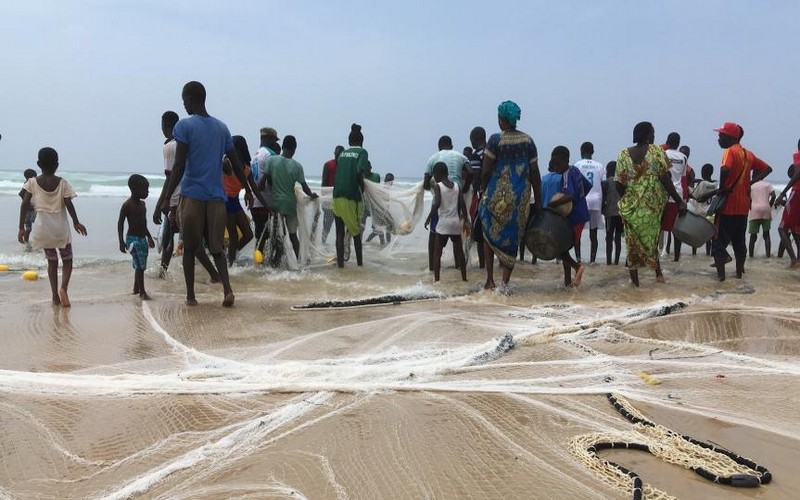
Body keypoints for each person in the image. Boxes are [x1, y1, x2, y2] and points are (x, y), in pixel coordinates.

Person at [160, 81, 262, 307]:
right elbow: (236, 164)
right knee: (217, 248)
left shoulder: (184, 127)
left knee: (189, 246)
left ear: (191, 99)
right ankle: (227, 290)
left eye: (184, 100)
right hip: (217, 197)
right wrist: (246, 190)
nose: (183, 105)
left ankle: (190, 297)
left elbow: (178, 166)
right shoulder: (222, 128)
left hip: (193, 195)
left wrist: (167, 198)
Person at [479, 101, 542, 291]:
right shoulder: (528, 141)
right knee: (513, 238)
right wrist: (538, 201)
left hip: (496, 197)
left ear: (502, 120)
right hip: (520, 198)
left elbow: (486, 170)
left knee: (488, 235)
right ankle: (505, 284)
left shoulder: (495, 140)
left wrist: (482, 189)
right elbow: (535, 173)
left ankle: (490, 280)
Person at [615, 122, 686, 287]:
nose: (654, 136)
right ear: (647, 135)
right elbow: (665, 179)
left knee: (632, 244)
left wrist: (626, 199)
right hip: (651, 208)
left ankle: (635, 285)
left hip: (630, 208)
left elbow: (618, 182)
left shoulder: (623, 154)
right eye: (652, 133)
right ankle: (659, 276)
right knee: (652, 241)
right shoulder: (656, 151)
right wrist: (679, 201)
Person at [153, 110, 219, 282]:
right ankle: (163, 273)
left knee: (176, 242)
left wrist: (162, 201)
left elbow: (170, 177)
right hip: (195, 197)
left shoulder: (169, 147)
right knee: (191, 242)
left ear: (166, 126)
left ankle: (214, 275)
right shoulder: (189, 143)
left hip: (176, 200)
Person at [18, 147, 88, 307]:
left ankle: (54, 296)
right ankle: (63, 288)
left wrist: (21, 227)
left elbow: (24, 204)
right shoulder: (62, 183)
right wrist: (76, 222)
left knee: (52, 262)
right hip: (59, 227)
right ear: (57, 164)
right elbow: (68, 203)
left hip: (42, 227)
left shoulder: (32, 182)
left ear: (38, 164)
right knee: (67, 259)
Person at [710, 122, 772, 281]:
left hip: (727, 206)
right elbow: (767, 169)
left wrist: (722, 188)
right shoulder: (748, 154)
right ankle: (739, 275)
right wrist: (750, 183)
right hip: (743, 207)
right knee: (739, 242)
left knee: (717, 243)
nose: (718, 138)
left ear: (730, 137)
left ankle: (721, 279)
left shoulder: (729, 151)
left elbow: (725, 169)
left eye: (720, 135)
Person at [260, 135, 318, 259]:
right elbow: (305, 188)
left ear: (282, 146)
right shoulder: (298, 166)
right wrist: (312, 195)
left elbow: (262, 183)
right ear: (294, 149)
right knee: (292, 236)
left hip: (276, 204)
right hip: (290, 205)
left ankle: (275, 262)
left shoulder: (271, 160)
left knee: (276, 235)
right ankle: (299, 262)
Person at [424, 136, 470, 271]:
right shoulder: (460, 157)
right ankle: (459, 268)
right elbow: (471, 171)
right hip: (456, 203)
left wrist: (430, 187)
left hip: (441, 205)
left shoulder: (433, 158)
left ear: (439, 147)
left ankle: (432, 267)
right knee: (457, 240)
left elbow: (426, 183)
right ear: (452, 145)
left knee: (434, 235)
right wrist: (465, 187)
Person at [548, 146, 588, 287]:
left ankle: (577, 267)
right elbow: (587, 185)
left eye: (558, 163)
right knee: (563, 247)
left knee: (561, 248)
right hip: (580, 215)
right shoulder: (575, 170)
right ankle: (567, 282)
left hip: (575, 217)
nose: (556, 166)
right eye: (554, 164)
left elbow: (571, 195)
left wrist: (555, 203)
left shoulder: (567, 174)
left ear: (566, 160)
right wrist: (581, 201)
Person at [425, 162, 468, 282]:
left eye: (434, 174)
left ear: (437, 174)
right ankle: (464, 278)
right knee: (460, 253)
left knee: (437, 254)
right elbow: (462, 204)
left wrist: (429, 217)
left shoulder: (438, 186)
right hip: (455, 223)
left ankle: (437, 281)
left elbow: (437, 203)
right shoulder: (456, 186)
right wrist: (467, 220)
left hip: (444, 224)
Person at [332, 123, 368, 268]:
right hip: (351, 196)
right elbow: (359, 171)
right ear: (361, 141)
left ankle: (340, 266)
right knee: (356, 233)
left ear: (349, 141)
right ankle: (360, 266)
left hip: (336, 195)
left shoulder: (342, 154)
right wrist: (363, 186)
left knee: (339, 233)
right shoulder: (362, 152)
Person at [118, 174, 156, 300]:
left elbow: (143, 224)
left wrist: (149, 237)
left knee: (140, 264)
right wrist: (121, 242)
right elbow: (120, 223)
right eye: (145, 189)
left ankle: (136, 288)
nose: (147, 192)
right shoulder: (127, 205)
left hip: (142, 238)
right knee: (140, 265)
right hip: (132, 239)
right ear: (135, 189)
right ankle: (142, 292)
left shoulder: (143, 205)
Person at [223, 136, 255, 265]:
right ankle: (230, 265)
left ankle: (228, 257)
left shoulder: (246, 168)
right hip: (225, 200)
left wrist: (265, 205)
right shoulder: (226, 162)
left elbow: (254, 188)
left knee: (248, 235)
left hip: (235, 201)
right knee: (234, 237)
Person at [573, 141, 605, 263]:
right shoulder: (600, 166)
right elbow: (602, 184)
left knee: (578, 232)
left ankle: (578, 259)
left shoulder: (577, 165)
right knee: (593, 233)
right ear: (592, 152)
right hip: (596, 201)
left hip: (583, 200)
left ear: (581, 152)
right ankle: (592, 260)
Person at [251, 127, 281, 253]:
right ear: (268, 138)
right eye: (274, 140)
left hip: (255, 202)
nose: (275, 143)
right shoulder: (270, 155)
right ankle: (269, 266)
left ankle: (258, 265)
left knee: (260, 235)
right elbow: (274, 179)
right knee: (272, 235)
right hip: (267, 201)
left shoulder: (256, 155)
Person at [662, 132, 688, 262]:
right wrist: (683, 200)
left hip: (664, 196)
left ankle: (654, 256)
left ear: (667, 142)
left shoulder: (663, 154)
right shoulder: (683, 157)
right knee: (676, 229)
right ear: (678, 143)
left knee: (659, 227)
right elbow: (683, 178)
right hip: (678, 195)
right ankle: (676, 258)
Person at [688, 164, 718, 256]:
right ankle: (708, 254)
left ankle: (694, 255)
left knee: (695, 235)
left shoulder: (702, 184)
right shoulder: (716, 184)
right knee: (709, 237)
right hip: (711, 214)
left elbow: (695, 195)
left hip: (700, 214)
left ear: (703, 172)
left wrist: (689, 184)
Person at [468, 127, 487, 268]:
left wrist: (473, 196)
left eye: (472, 141)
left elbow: (476, 178)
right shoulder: (493, 152)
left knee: (480, 236)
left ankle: (483, 266)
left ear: (475, 139)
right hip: (498, 196)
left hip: (484, 197)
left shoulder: (476, 155)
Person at [776, 164, 800, 266]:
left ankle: (794, 260)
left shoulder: (797, 160)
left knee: (782, 228)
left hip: (797, 193)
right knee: (796, 231)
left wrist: (782, 194)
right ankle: (798, 260)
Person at [321, 145, 344, 243]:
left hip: (341, 199)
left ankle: (338, 245)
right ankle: (323, 242)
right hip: (329, 199)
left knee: (340, 225)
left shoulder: (344, 167)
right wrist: (323, 200)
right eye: (337, 153)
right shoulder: (328, 164)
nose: (338, 156)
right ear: (334, 153)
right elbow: (324, 182)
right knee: (327, 224)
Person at [601, 161, 623, 265]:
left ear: (608, 171)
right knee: (618, 238)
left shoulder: (606, 183)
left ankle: (608, 261)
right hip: (621, 214)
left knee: (609, 238)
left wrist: (603, 210)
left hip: (610, 214)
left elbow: (603, 198)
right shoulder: (622, 182)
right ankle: (617, 261)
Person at [748, 179, 775, 258]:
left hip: (755, 210)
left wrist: (751, 208)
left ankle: (751, 256)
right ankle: (768, 255)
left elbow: (748, 199)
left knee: (753, 236)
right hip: (766, 210)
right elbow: (773, 195)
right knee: (766, 235)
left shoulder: (751, 186)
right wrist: (769, 205)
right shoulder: (767, 184)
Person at [18, 168, 37, 250]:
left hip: (29, 209)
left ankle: (26, 242)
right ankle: (26, 242)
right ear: (31, 177)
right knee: (32, 227)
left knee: (29, 228)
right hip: (30, 209)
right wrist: (27, 203)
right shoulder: (28, 183)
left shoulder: (27, 183)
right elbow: (21, 193)